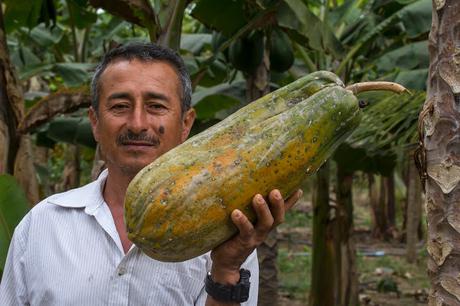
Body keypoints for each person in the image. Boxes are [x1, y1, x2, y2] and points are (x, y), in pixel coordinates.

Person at [0, 42, 302, 305]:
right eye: (120, 106)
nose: (137, 123)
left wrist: (225, 271)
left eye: (156, 106)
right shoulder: (42, 226)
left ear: (185, 124)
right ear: (94, 122)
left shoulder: (231, 234)